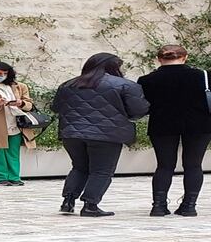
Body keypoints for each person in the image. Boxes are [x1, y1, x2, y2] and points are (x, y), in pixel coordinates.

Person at [52, 53, 149, 217]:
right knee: (102, 171)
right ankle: (90, 205)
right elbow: (138, 110)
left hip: (71, 133)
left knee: (79, 167)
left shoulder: (68, 84)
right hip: (107, 134)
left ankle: (68, 201)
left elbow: (56, 107)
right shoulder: (125, 85)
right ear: (114, 67)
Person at [138, 45, 211, 217]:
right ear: (185, 57)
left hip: (162, 125)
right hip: (199, 125)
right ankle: (189, 205)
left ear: (158, 59)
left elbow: (143, 106)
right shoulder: (204, 76)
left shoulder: (146, 80)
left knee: (164, 166)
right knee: (194, 165)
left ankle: (159, 205)